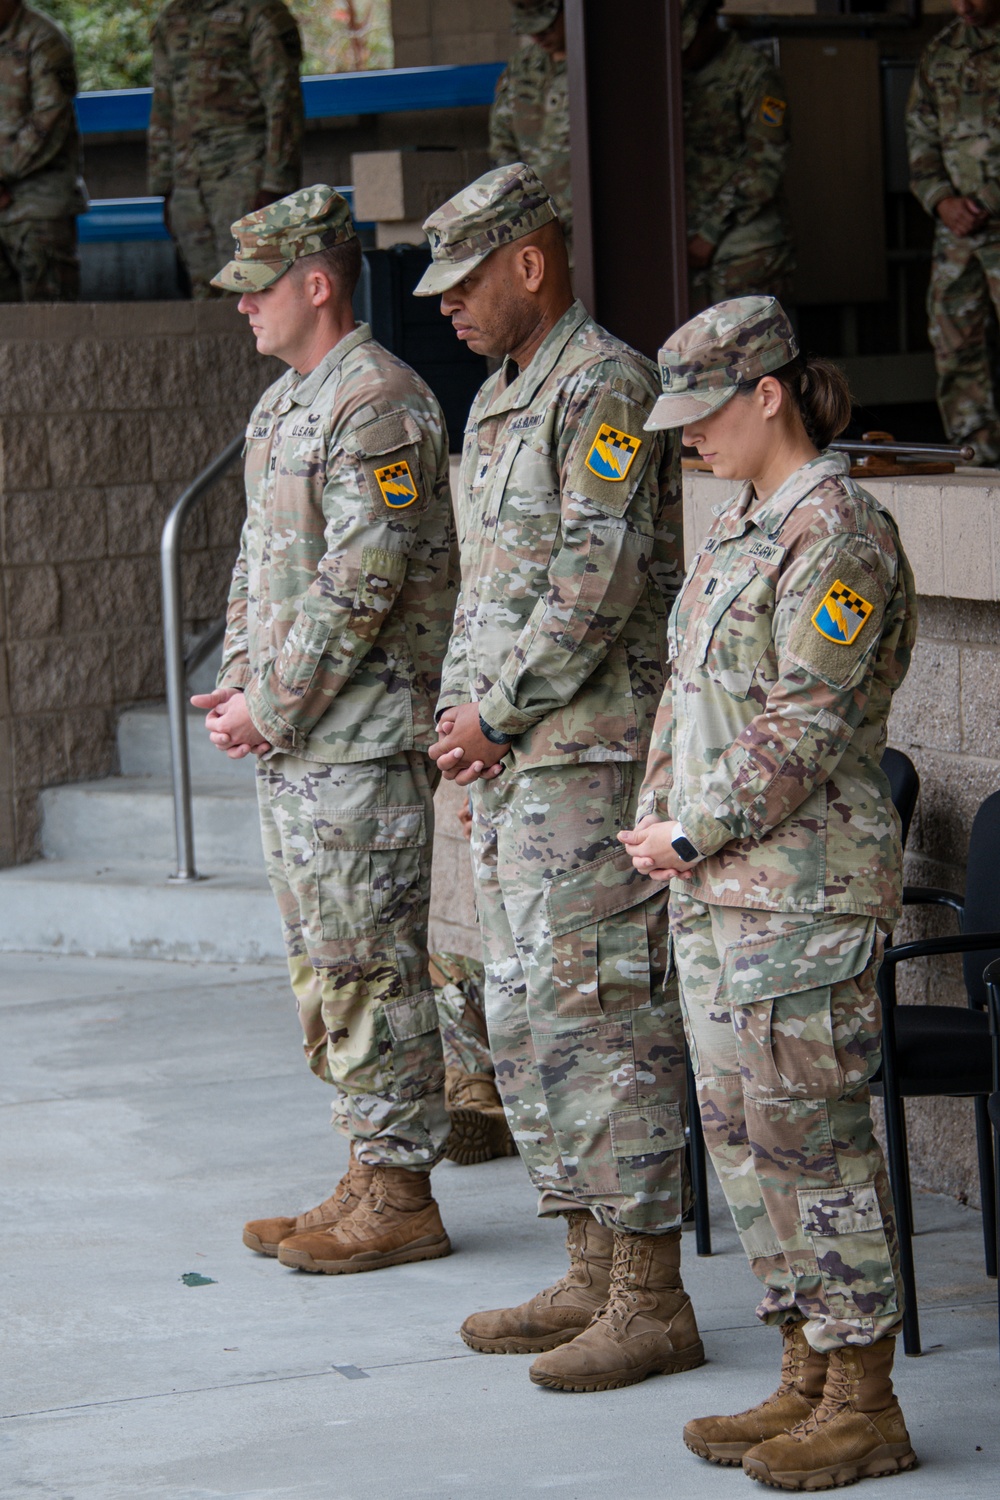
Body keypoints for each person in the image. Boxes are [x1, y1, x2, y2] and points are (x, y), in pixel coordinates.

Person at [413, 162, 703, 1394]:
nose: (445, 306)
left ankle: (650, 1297)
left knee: (600, 1014)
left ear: (530, 262)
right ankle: (588, 1264)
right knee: (527, 1017)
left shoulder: (608, 388)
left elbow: (598, 585)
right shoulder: (498, 398)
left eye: (466, 280)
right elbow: (490, 587)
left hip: (582, 763)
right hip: (510, 770)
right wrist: (460, 716)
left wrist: (497, 710)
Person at [620, 297, 918, 1488]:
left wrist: (694, 828)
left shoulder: (833, 532)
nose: (682, 436)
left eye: (698, 414)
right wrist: (660, 826)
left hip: (798, 896)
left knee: (814, 1143)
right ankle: (801, 1371)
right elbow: (687, 703)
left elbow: (808, 718)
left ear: (766, 396)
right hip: (718, 893)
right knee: (745, 1146)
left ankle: (863, 1398)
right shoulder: (741, 526)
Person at [192, 184, 460, 1276]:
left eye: (257, 288)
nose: (242, 308)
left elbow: (364, 580)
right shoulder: (285, 405)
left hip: (358, 741)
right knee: (324, 967)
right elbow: (261, 565)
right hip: (302, 745)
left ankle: (401, 1192)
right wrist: (237, 680)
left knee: (371, 966)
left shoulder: (378, 403)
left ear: (317, 284)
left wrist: (277, 702)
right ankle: (365, 1165)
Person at [148, 0, 303, 299]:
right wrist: (164, 185)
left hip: (244, 175)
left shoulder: (259, 12)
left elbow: (283, 101)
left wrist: (276, 184)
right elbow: (163, 104)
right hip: (188, 183)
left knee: (254, 293)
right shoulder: (175, 16)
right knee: (204, 296)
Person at [907, 0, 1000, 464]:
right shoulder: (941, 52)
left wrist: (988, 200)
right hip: (957, 233)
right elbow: (920, 135)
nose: (963, 5)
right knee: (954, 344)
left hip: (988, 215)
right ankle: (978, 457)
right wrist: (941, 199)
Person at [681, 0, 794, 314]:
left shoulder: (753, 73)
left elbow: (765, 163)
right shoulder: (674, 75)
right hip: (688, 245)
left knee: (750, 351)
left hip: (742, 241)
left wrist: (711, 232)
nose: (683, 56)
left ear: (708, 25)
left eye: (687, 46)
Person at [0, 0, 86, 302]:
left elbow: (50, 119)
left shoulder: (43, 38)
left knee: (50, 321)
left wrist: (3, 173)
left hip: (39, 206)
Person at [489, 2, 571, 259]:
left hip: (595, 229)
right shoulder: (522, 68)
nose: (538, 36)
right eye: (532, 28)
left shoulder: (599, 63)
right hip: (538, 236)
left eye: (546, 26)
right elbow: (503, 148)